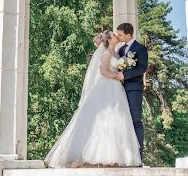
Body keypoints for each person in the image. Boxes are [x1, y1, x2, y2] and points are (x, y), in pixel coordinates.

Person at [45, 30, 141, 168]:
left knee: (115, 119)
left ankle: (113, 157)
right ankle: (90, 156)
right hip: (106, 86)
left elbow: (117, 67)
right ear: (109, 39)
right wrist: (117, 76)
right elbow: (103, 71)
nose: (117, 36)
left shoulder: (117, 54)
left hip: (116, 89)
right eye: (114, 35)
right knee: (103, 118)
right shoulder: (107, 53)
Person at [117, 22, 148, 161]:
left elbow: (142, 68)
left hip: (134, 88)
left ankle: (138, 157)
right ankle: (125, 155)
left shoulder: (140, 48)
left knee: (136, 120)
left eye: (120, 34)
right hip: (120, 89)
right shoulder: (120, 50)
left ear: (128, 35)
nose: (118, 36)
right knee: (122, 121)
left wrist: (126, 76)